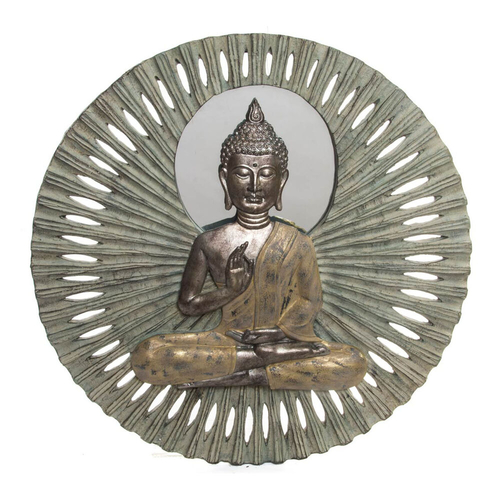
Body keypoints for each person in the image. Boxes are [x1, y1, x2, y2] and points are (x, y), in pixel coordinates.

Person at [131, 99, 367, 390]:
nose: (255, 185)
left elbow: (310, 301)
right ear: (224, 178)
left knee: (353, 362)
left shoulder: (298, 242)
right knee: (148, 355)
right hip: (227, 342)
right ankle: (262, 362)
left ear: (281, 181)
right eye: (243, 173)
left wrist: (277, 333)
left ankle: (249, 373)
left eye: (266, 174)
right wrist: (230, 291)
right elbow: (187, 305)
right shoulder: (209, 242)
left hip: (282, 341)